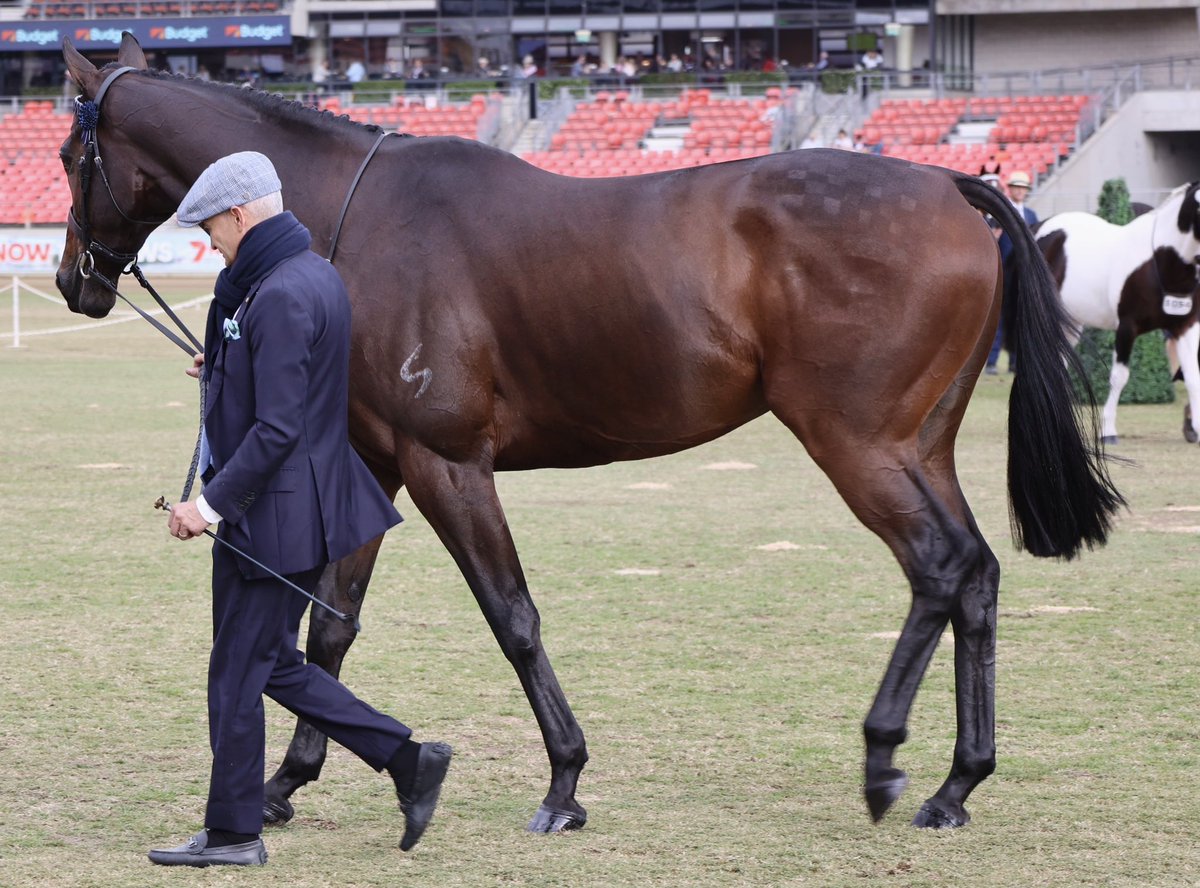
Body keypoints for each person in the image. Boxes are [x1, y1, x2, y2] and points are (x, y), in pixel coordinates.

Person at [151, 152, 451, 867]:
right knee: (270, 663)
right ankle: (408, 761)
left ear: (238, 215)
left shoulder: (283, 293)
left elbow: (280, 428)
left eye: (211, 230)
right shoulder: (302, 275)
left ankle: (232, 835)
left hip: (272, 518)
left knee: (235, 675)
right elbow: (290, 377)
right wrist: (225, 359)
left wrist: (209, 507)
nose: (209, 243)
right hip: (297, 509)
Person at [985, 169, 1039, 375]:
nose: (1020, 191)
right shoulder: (1002, 211)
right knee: (999, 315)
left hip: (1024, 274)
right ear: (1011, 189)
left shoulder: (1032, 215)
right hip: (1005, 271)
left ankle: (1015, 362)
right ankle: (991, 361)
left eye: (1023, 188)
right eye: (1017, 187)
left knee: (1020, 316)